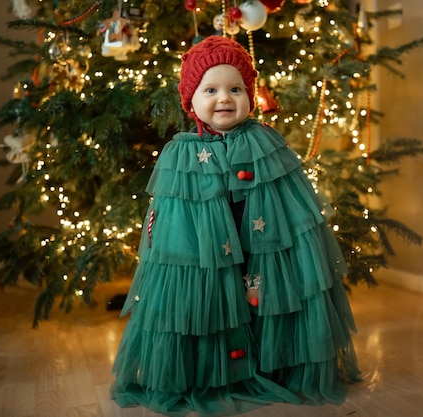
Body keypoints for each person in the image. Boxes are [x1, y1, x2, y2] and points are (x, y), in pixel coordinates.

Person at [111, 35, 360, 417]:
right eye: (210, 89)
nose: (224, 98)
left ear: (249, 94)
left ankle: (276, 361)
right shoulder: (181, 153)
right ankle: (210, 370)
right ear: (190, 100)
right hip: (205, 256)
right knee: (216, 302)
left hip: (262, 248)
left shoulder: (265, 142)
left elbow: (287, 198)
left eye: (235, 89)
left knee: (263, 297)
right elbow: (176, 214)